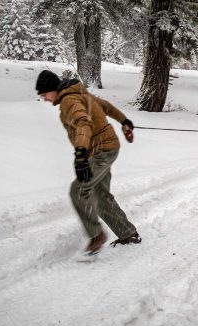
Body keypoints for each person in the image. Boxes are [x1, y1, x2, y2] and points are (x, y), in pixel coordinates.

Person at [35, 69, 141, 254]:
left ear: (52, 89)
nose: (45, 98)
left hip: (101, 151)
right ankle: (128, 233)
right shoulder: (80, 93)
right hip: (106, 148)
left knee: (78, 189)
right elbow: (106, 106)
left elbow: (83, 124)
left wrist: (81, 156)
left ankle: (96, 234)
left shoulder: (69, 101)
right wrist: (124, 120)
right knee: (100, 196)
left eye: (44, 94)